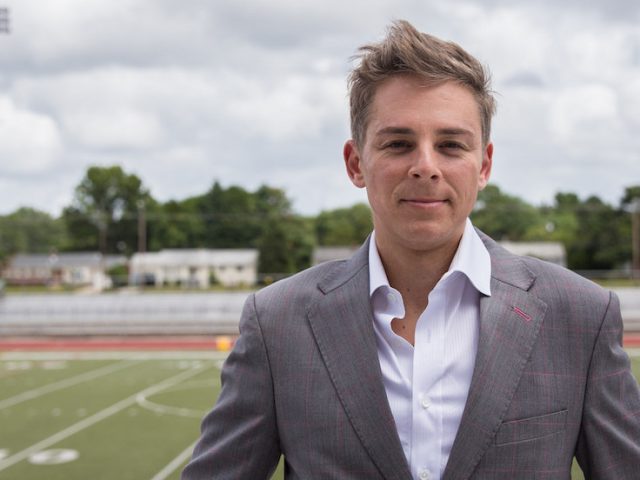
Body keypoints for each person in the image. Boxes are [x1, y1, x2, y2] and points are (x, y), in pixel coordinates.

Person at [182, 20, 640, 480]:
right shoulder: (278, 322)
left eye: (450, 145)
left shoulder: (579, 315)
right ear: (356, 163)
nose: (425, 166)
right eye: (399, 143)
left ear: (484, 165)